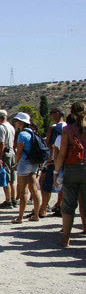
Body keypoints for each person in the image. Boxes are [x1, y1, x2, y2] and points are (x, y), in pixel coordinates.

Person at [54, 101, 86, 247]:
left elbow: (62, 154)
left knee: (68, 206)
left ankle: (66, 238)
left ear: (71, 113)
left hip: (72, 169)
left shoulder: (68, 130)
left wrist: (56, 172)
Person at [11, 112, 42, 224]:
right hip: (33, 162)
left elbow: (19, 152)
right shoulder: (33, 133)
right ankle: (36, 215)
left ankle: (20, 217)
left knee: (23, 190)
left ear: (21, 123)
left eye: (17, 121)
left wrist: (15, 163)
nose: (15, 123)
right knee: (34, 188)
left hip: (24, 163)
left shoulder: (22, 135)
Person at [40, 107, 66, 217]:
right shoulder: (69, 127)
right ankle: (60, 205)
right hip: (67, 160)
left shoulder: (54, 128)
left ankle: (44, 209)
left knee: (46, 184)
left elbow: (49, 145)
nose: (50, 115)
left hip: (55, 160)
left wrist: (49, 160)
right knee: (63, 185)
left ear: (58, 114)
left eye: (52, 113)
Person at [0, 110, 17, 209]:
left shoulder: (1, 128)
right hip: (12, 152)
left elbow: (1, 143)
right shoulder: (11, 127)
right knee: (12, 178)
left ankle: (8, 200)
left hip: (5, 153)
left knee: (6, 177)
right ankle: (14, 199)